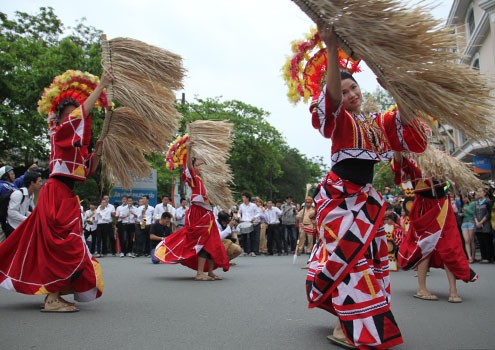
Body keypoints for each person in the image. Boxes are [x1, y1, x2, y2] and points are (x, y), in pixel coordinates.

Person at [305, 24, 428, 349]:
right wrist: (331, 47)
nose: (351, 95)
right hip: (337, 200)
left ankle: (342, 323)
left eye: (353, 88)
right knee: (352, 261)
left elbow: (409, 133)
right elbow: (330, 101)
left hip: (366, 202)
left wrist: (397, 87)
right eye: (344, 91)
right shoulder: (340, 121)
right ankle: (343, 329)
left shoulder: (378, 122)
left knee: (370, 260)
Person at [0, 69, 110, 312]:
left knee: (65, 245)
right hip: (57, 194)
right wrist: (101, 86)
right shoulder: (60, 133)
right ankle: (52, 298)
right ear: (60, 118)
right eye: (69, 115)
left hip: (65, 195)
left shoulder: (72, 145)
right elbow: (77, 118)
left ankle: (55, 294)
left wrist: (98, 152)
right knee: (63, 246)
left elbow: (86, 171)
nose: (73, 119)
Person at [393, 152, 478, 305]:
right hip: (424, 206)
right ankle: (422, 288)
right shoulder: (412, 161)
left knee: (450, 246)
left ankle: (453, 290)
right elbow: (398, 163)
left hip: (442, 205)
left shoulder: (439, 157)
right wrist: (395, 142)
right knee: (424, 246)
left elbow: (454, 174)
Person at [154, 147, 229, 281]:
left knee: (214, 242)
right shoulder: (194, 178)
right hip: (198, 214)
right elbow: (188, 166)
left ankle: (210, 272)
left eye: (202, 164)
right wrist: (189, 150)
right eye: (198, 164)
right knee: (202, 242)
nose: (201, 166)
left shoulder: (208, 182)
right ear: (193, 167)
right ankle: (200, 273)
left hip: (208, 214)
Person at [473, 188, 493, 263]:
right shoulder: (476, 202)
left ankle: (488, 257)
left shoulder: (488, 201)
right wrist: (477, 222)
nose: (479, 193)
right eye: (478, 191)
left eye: (480, 191)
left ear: (485, 193)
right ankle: (483, 256)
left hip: (485, 223)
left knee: (486, 240)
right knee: (480, 240)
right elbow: (474, 213)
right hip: (477, 223)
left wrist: (481, 222)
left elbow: (488, 213)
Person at [238, 191, 260, 256]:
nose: (243, 198)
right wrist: (239, 217)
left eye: (244, 197)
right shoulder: (241, 205)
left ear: (247, 198)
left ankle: (252, 251)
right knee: (244, 237)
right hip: (244, 221)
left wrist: (254, 217)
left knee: (252, 237)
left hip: (251, 222)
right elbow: (239, 212)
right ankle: (245, 251)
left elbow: (258, 213)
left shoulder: (253, 205)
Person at [459, 195, 476, 263]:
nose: (463, 199)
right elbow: (462, 213)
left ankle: (473, 256)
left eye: (465, 197)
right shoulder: (464, 205)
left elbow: (474, 213)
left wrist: (467, 210)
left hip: (471, 222)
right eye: (463, 198)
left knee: (472, 240)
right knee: (466, 240)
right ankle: (469, 257)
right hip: (464, 222)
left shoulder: (472, 204)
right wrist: (461, 214)